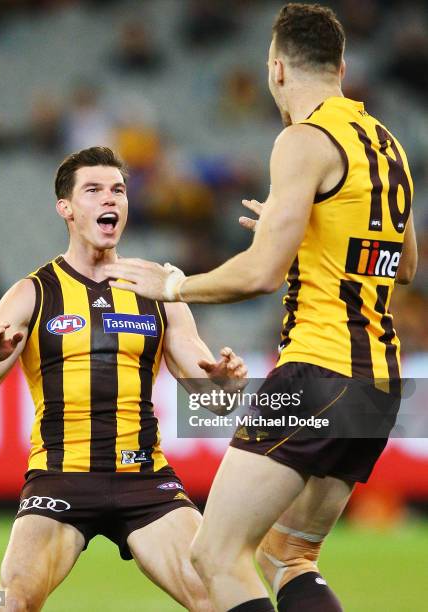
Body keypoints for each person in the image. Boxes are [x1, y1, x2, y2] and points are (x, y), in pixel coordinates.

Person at [103, 3, 418, 612]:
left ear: (276, 70)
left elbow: (261, 274)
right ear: (342, 66)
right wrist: (300, 228)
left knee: (213, 556)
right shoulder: (387, 145)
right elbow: (401, 265)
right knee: (287, 556)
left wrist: (172, 287)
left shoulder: (303, 139)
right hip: (380, 387)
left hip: (316, 375)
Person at [0, 146, 248, 611]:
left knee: (220, 597)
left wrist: (227, 385)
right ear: (66, 208)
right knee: (14, 603)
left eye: (119, 190)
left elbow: (214, 399)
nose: (110, 200)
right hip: (60, 480)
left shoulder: (160, 289)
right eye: (93, 190)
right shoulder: (33, 292)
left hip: (144, 480)